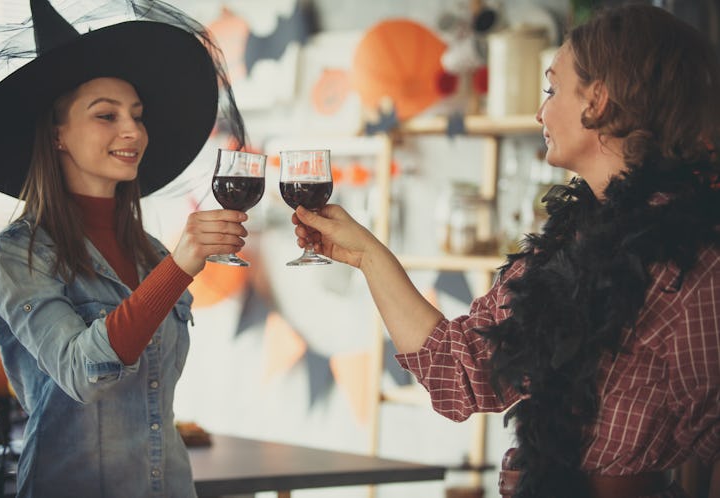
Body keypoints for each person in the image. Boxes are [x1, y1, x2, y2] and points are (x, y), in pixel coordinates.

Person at [292, 4, 719, 498]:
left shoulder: (694, 258)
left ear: (597, 100)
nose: (540, 111)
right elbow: (458, 371)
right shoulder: (565, 244)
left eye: (552, 89)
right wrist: (367, 255)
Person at [0, 1, 249, 497]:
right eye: (106, 115)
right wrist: (181, 267)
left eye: (138, 116)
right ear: (57, 134)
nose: (133, 131)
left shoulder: (150, 252)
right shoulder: (16, 256)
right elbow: (82, 371)